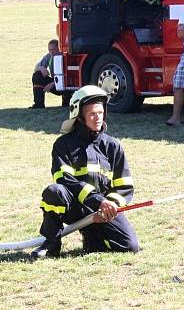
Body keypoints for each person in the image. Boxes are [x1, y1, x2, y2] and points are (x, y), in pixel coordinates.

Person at [30, 85, 139, 259]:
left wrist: (109, 206)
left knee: (130, 246)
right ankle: (51, 244)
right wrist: (97, 201)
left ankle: (93, 237)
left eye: (101, 113)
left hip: (103, 210)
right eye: (92, 114)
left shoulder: (113, 146)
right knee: (54, 192)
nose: (98, 118)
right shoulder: (63, 145)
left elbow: (124, 186)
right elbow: (64, 180)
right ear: (79, 116)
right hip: (75, 208)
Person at [30, 39, 67, 109]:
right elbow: (36, 67)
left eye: (53, 49)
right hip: (55, 82)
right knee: (37, 75)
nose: (51, 52)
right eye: (49, 50)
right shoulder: (49, 56)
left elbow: (68, 76)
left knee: (66, 105)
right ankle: (38, 104)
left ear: (59, 48)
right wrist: (42, 68)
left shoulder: (65, 57)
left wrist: (53, 84)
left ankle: (66, 101)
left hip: (65, 85)